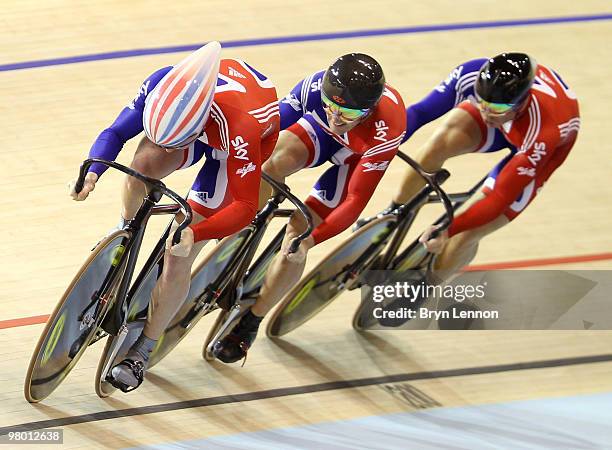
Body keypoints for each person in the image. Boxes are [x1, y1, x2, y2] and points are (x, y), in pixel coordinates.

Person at [68, 41, 279, 390]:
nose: (167, 148)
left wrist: (197, 233)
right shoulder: (160, 84)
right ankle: (126, 230)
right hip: (192, 127)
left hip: (233, 148)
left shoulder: (240, 128)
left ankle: (143, 350)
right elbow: (116, 132)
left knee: (179, 251)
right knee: (143, 165)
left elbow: (244, 207)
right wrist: (93, 172)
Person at [212, 53, 407, 363]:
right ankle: (243, 225)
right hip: (319, 136)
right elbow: (264, 131)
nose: (337, 115)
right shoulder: (315, 88)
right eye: (332, 105)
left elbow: (356, 199)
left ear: (368, 110)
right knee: (270, 162)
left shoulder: (387, 128)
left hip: (353, 158)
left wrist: (310, 241)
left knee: (296, 238)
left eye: (348, 112)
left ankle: (252, 320)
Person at [390, 52, 580, 282]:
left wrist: (449, 229)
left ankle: (427, 286)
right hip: (510, 123)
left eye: (496, 109)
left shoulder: (544, 131)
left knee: (465, 234)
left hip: (537, 145)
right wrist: (385, 144)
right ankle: (393, 214)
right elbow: (419, 113)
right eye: (481, 102)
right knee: (437, 146)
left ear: (521, 104)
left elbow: (500, 196)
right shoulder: (471, 75)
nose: (487, 113)